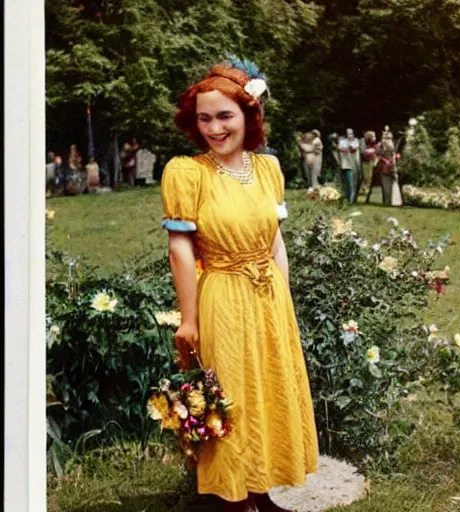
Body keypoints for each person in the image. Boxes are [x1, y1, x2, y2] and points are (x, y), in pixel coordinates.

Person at [161, 63, 318, 512]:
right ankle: (233, 499)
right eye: (204, 119)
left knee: (267, 389)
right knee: (233, 395)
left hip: (267, 295)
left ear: (248, 115)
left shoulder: (267, 169)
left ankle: (261, 490)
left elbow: (275, 241)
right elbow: (181, 250)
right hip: (224, 295)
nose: (214, 128)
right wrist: (188, 320)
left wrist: (282, 300)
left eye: (224, 116)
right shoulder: (188, 173)